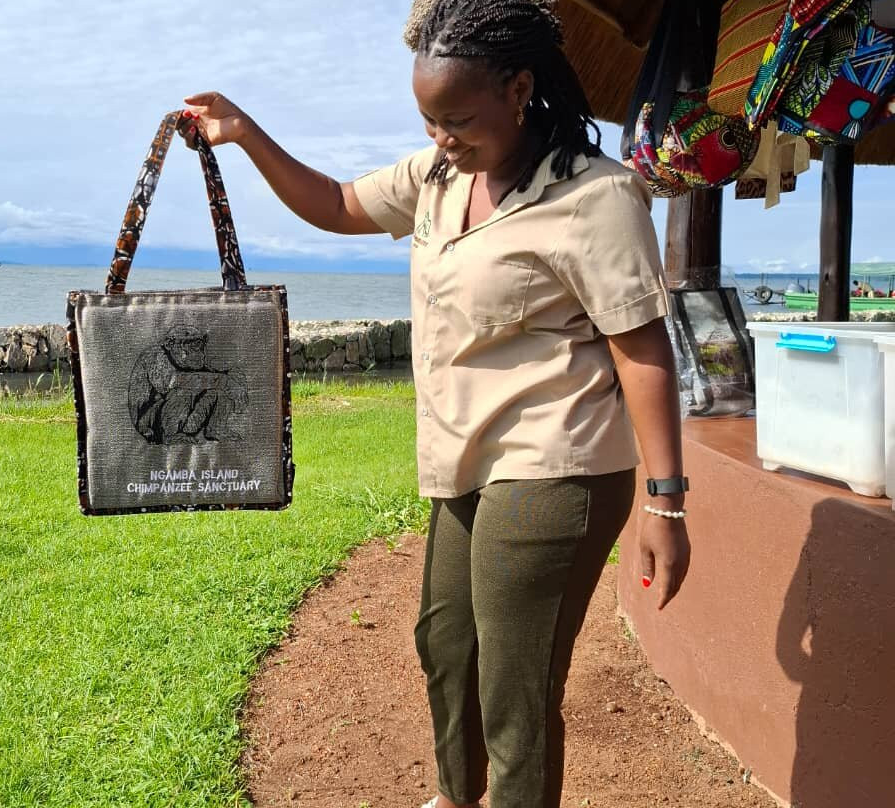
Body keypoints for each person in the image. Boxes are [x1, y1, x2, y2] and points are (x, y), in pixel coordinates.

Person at [181, 1, 691, 805]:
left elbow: (642, 348)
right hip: (466, 458)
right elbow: (337, 204)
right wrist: (246, 134)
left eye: (457, 120)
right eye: (429, 120)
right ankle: (457, 797)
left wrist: (665, 503)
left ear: (518, 89)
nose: (442, 138)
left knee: (516, 685)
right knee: (448, 647)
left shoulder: (596, 196)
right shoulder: (438, 178)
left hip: (555, 463)